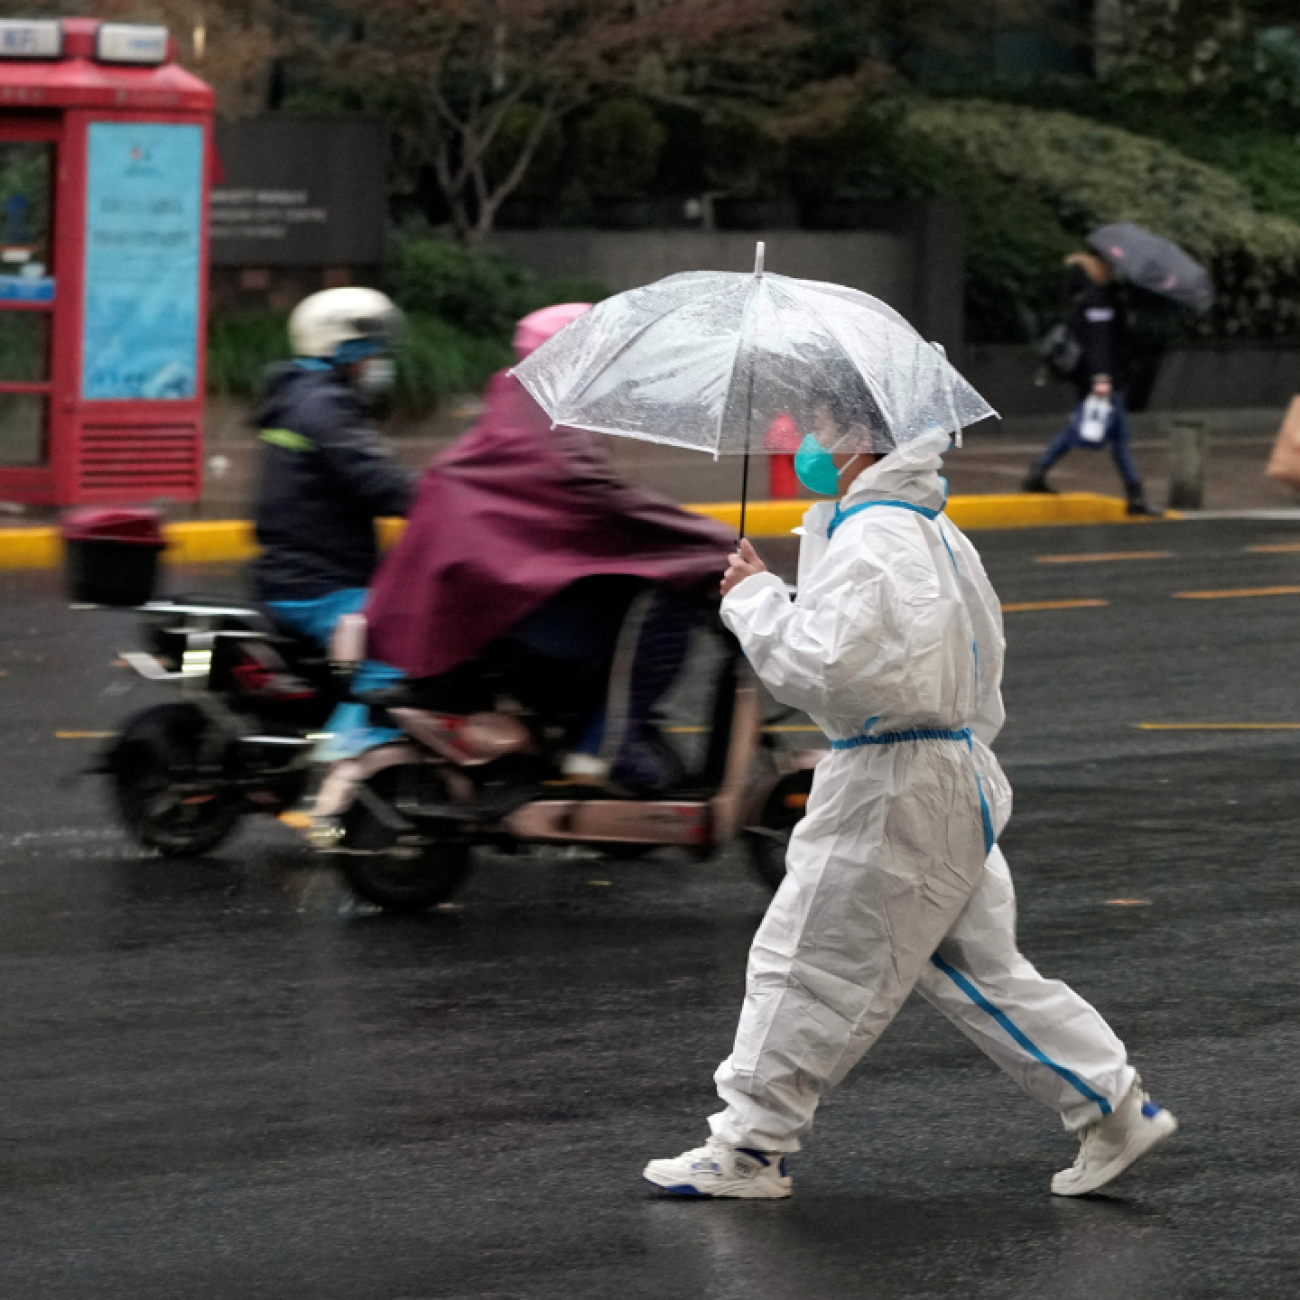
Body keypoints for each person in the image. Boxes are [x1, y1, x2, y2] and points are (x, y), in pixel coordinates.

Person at [644, 396, 1177, 1199]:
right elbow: (957, 657)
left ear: (861, 440)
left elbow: (826, 669)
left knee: (804, 959)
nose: (807, 445)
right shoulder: (925, 531)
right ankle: (1113, 1108)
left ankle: (750, 1148)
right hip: (944, 771)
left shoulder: (879, 537)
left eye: (821, 429)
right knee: (975, 966)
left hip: (892, 784)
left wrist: (752, 601)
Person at [364, 304, 733, 792]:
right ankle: (608, 746)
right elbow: (598, 502)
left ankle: (588, 732)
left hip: (497, 594)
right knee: (663, 605)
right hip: (517, 606)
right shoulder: (546, 423)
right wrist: (708, 542)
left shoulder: (521, 407)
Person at [251, 287, 416, 749]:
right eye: (373, 348)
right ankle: (341, 769)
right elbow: (379, 481)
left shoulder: (304, 396)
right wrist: (443, 503)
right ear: (343, 347)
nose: (380, 360)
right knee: (396, 648)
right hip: (318, 583)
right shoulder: (325, 407)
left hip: (304, 572)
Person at [1024, 252, 1160, 517]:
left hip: (1104, 380)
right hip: (1100, 381)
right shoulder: (1097, 301)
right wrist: (1101, 378)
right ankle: (1134, 496)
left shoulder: (1098, 298)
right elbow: (1098, 343)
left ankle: (1135, 495)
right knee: (1087, 431)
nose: (1110, 270)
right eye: (1105, 265)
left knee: (1117, 437)